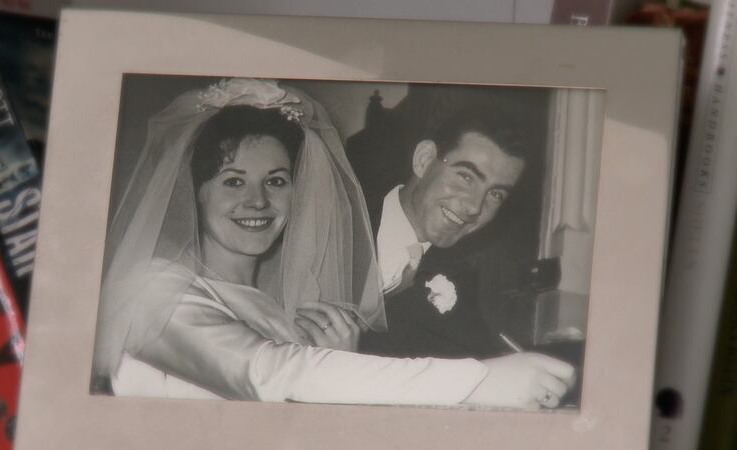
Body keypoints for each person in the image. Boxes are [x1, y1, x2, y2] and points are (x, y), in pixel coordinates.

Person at [92, 78, 574, 409]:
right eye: (233, 182)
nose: (258, 201)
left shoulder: (279, 307)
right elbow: (271, 374)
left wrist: (348, 359)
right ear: (193, 191)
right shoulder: (150, 288)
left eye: (277, 181)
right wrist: (482, 380)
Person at [356, 105, 553, 360]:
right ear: (424, 159)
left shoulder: (459, 279)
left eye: (495, 194)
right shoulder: (336, 219)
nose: (474, 206)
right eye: (466, 176)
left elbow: (476, 361)